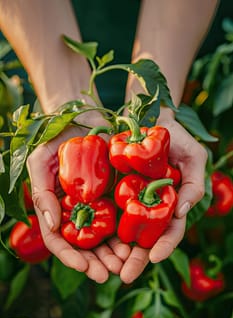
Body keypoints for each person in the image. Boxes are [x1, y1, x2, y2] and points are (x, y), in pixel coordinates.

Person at [0, 0, 219, 284]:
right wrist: (66, 104)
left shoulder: (132, 175)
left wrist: (156, 108)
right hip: (41, 35)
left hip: (180, 31)